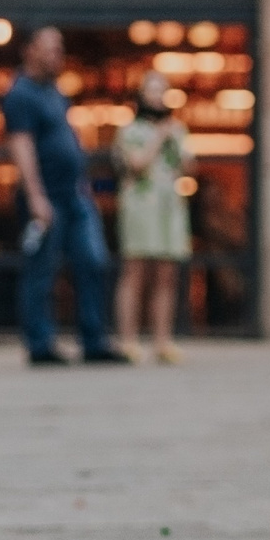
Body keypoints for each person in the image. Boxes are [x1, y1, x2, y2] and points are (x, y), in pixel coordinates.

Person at [2, 24, 126, 366]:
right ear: (29, 50)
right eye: (50, 47)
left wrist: (83, 184)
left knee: (93, 262)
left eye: (59, 47)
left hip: (75, 195)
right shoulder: (20, 94)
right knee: (41, 270)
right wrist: (36, 197)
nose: (58, 53)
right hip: (47, 197)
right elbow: (21, 146)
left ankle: (93, 340)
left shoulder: (55, 91)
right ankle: (40, 344)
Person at [114, 71, 192, 363]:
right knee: (135, 272)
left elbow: (188, 167)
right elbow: (136, 164)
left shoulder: (177, 130)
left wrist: (177, 144)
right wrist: (160, 136)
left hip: (169, 207)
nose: (158, 96)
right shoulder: (130, 131)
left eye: (162, 91)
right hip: (140, 206)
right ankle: (129, 340)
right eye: (152, 90)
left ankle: (162, 341)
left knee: (166, 275)